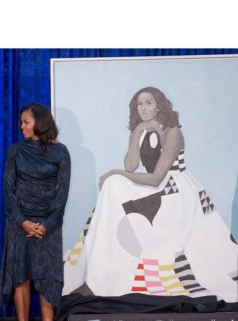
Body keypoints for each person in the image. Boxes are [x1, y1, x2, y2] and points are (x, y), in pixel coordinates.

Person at [63, 87, 238, 302]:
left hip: (175, 190)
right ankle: (99, 272)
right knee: (113, 185)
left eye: (149, 103)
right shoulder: (140, 129)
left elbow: (157, 178)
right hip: (153, 188)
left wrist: (114, 172)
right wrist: (137, 132)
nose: (144, 108)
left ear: (159, 106)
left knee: (114, 179)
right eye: (140, 104)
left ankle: (115, 273)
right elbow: (131, 165)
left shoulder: (172, 132)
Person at [0, 103, 71, 321]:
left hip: (48, 226)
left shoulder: (61, 152)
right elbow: (8, 190)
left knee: (48, 280)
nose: (21, 127)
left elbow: (62, 194)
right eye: (21, 122)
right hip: (20, 224)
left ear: (39, 123)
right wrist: (22, 222)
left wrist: (47, 224)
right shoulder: (16, 151)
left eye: (26, 122)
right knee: (22, 278)